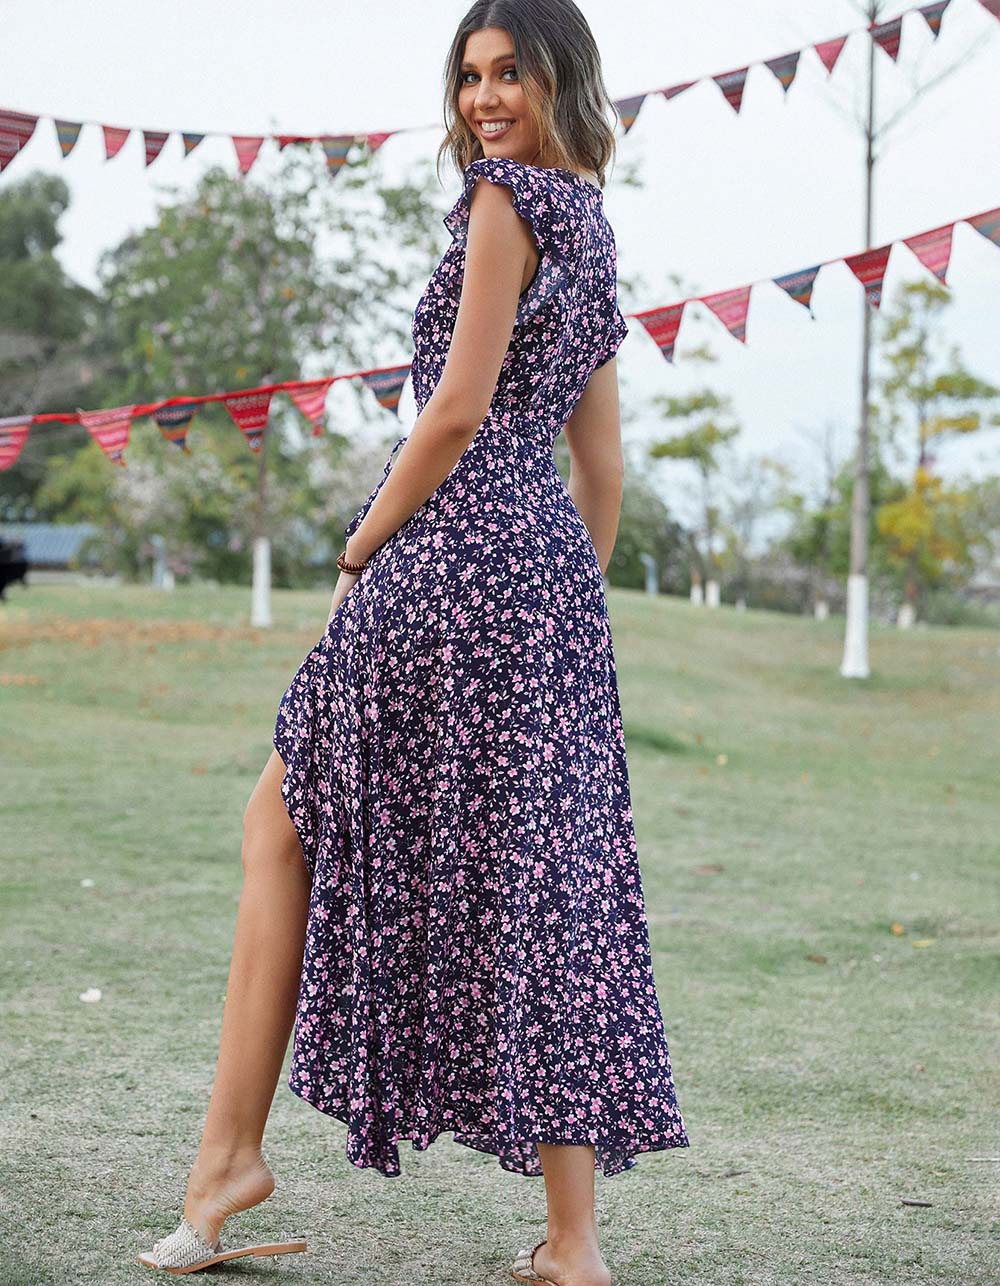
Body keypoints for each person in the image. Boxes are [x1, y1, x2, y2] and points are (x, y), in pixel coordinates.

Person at [138, 2, 689, 1281]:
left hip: (444, 553)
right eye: (469, 76)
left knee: (279, 820)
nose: (484, 99)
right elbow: (601, 467)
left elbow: (451, 412)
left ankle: (226, 1161)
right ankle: (572, 1242)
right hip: (543, 578)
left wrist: (356, 553)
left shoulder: (504, 200)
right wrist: (556, 604)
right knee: (539, 881)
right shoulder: (593, 224)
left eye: (510, 74)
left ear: (561, 80)